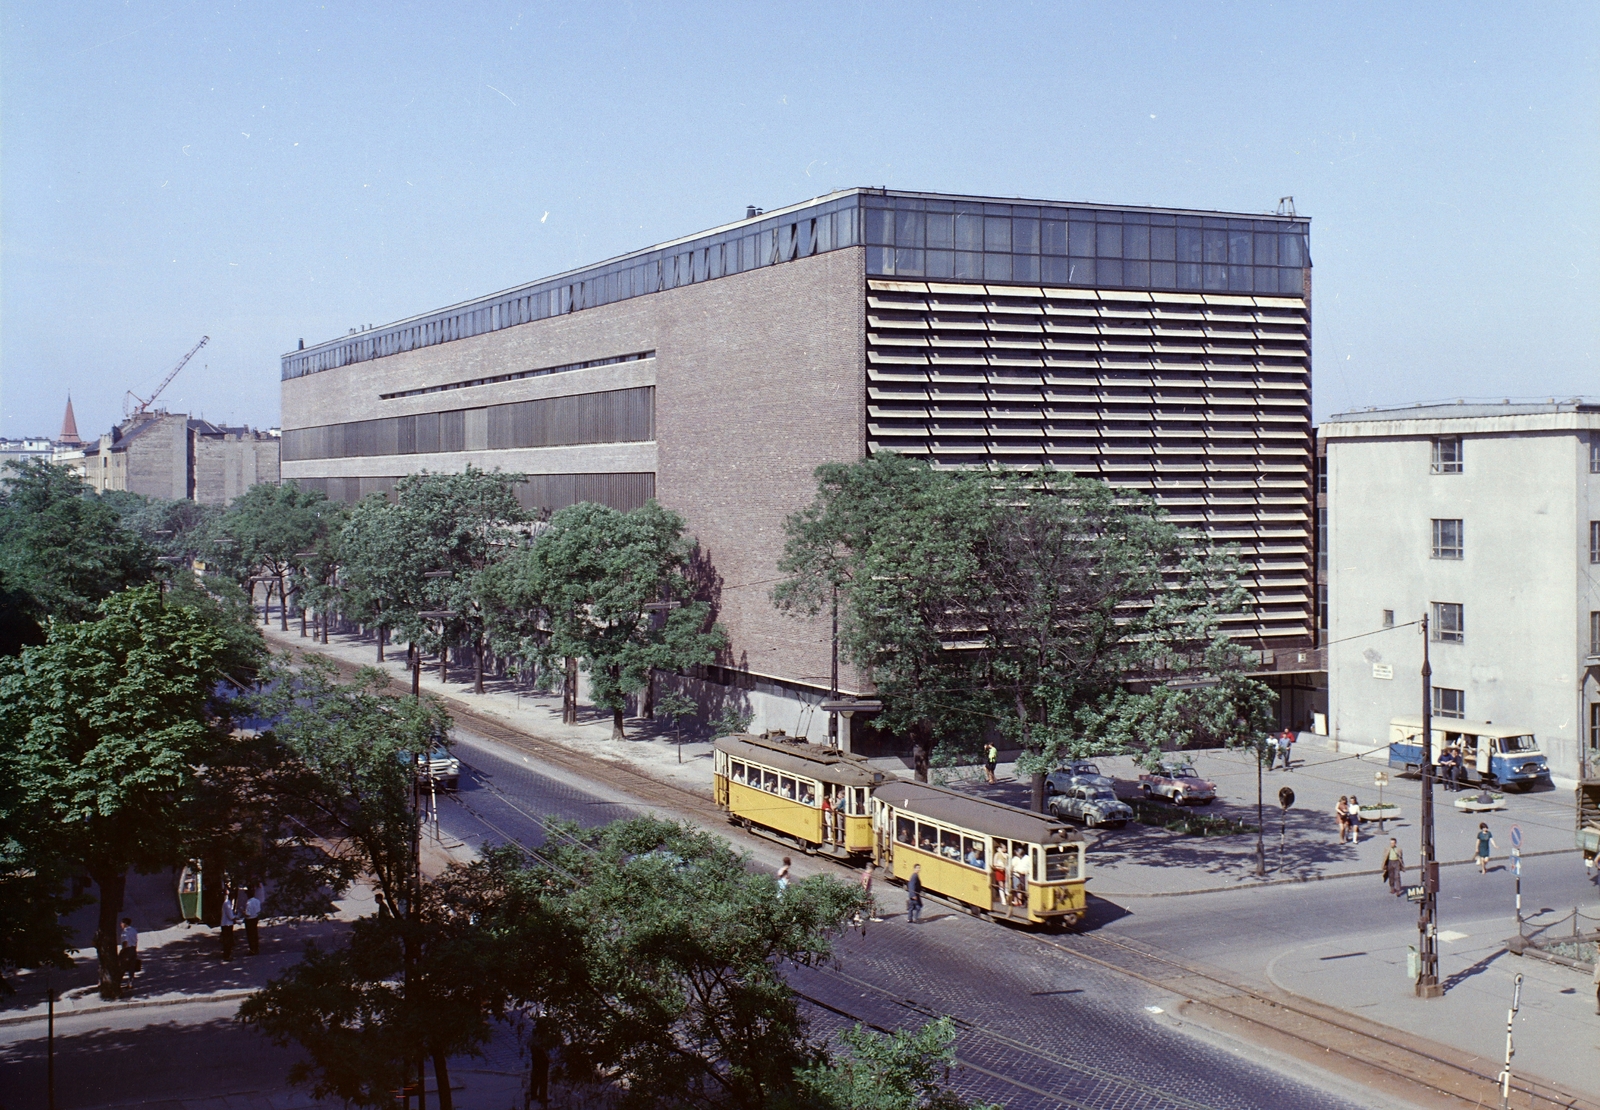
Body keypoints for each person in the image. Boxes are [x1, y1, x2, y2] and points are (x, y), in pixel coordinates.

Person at [118, 918, 140, 989]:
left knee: (122, 966)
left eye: (121, 923)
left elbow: (125, 941)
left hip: (127, 950)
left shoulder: (125, 932)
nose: (120, 924)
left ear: (125, 924)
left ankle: (118, 982)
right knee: (131, 967)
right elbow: (136, 941)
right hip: (133, 949)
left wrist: (123, 950)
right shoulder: (134, 930)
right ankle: (130, 983)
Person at [243, 887, 262, 955]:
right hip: (255, 918)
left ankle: (252, 949)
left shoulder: (249, 902)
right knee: (255, 934)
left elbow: (248, 914)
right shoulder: (257, 901)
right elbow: (258, 910)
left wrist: (243, 912)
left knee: (250, 935)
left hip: (249, 919)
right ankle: (256, 948)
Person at [219, 891, 236, 960]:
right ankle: (227, 955)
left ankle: (227, 954)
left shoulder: (227, 903)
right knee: (228, 941)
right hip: (227, 924)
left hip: (226, 924)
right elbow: (230, 916)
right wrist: (236, 918)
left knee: (227, 940)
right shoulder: (228, 904)